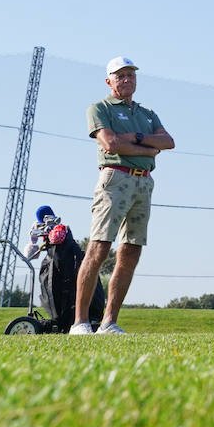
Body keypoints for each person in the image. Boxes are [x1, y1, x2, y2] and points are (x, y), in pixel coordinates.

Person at [70, 56, 175, 334]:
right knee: (99, 248)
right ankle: (80, 323)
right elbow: (110, 142)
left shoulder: (147, 113)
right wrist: (148, 149)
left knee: (130, 251)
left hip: (144, 183)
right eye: (120, 76)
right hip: (114, 179)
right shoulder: (99, 108)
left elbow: (169, 142)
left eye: (130, 75)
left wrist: (136, 139)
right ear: (109, 81)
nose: (127, 79)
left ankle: (109, 322)